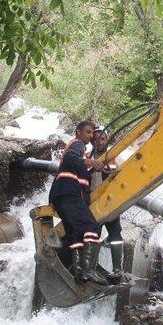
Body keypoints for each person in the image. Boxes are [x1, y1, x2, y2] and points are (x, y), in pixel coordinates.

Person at [48, 120, 107, 285]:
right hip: (69, 194)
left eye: (91, 133)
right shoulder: (78, 144)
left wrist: (89, 167)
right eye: (87, 132)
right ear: (78, 131)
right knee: (92, 227)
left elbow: (74, 165)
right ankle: (89, 270)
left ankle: (79, 274)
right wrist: (93, 163)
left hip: (61, 195)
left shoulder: (81, 152)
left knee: (76, 233)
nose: (90, 136)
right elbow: (70, 158)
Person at [87, 127, 125, 283]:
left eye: (102, 139)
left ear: (107, 141)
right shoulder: (87, 158)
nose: (99, 141)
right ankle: (90, 269)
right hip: (93, 204)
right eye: (96, 139)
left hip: (110, 204)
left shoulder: (115, 158)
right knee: (93, 234)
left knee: (115, 234)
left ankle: (117, 270)